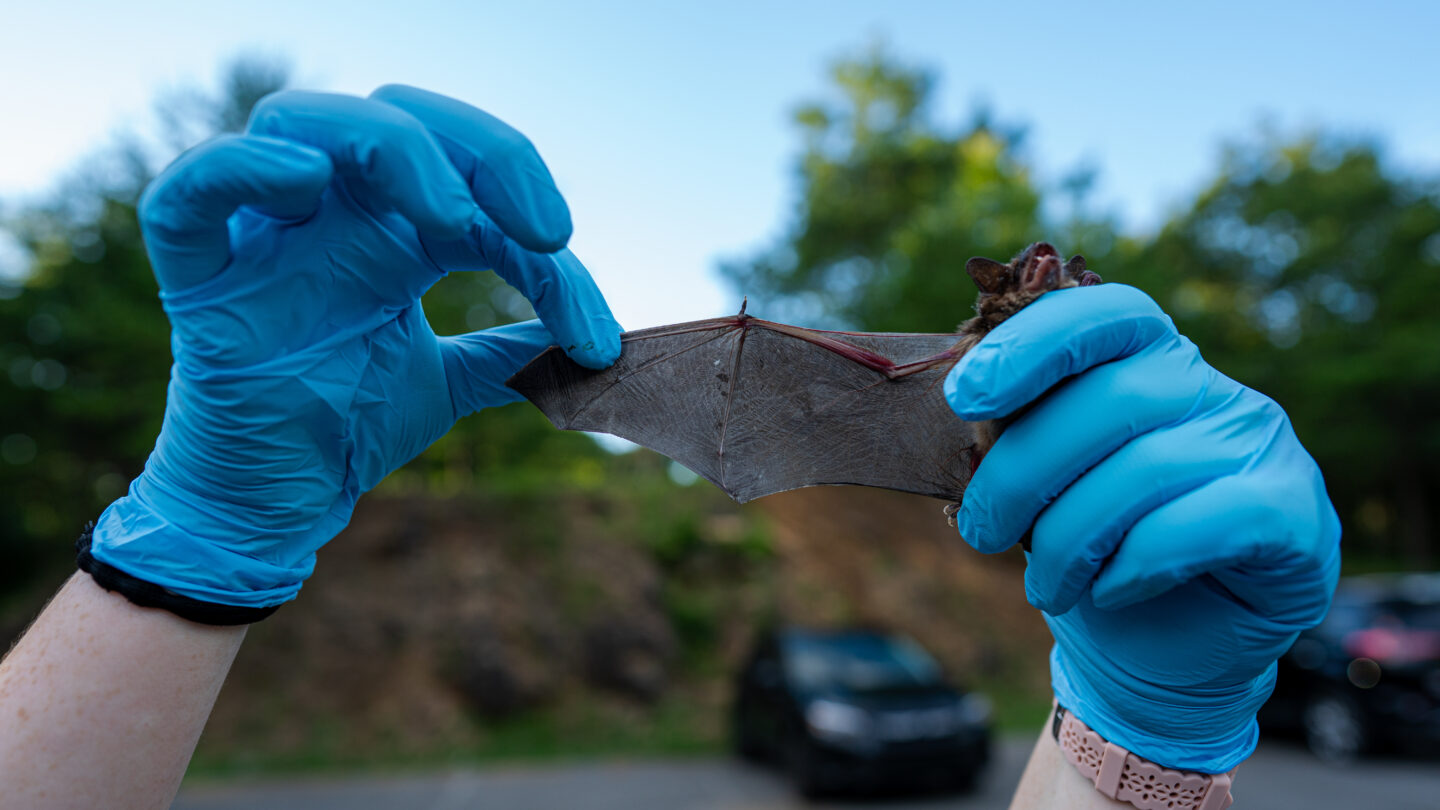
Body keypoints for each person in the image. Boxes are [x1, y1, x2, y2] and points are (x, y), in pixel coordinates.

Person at [0, 86, 1340, 810]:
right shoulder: (888, 359)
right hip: (949, 422)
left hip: (1012, 460)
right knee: (767, 342)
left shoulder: (1039, 367)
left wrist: (1132, 741)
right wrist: (195, 540)